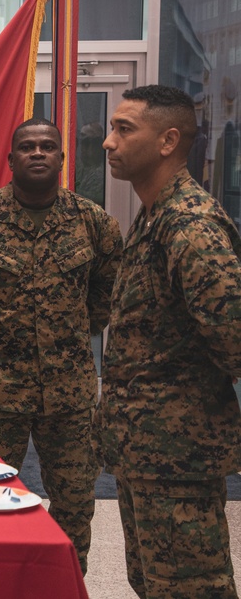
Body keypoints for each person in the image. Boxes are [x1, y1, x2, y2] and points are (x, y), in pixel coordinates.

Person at [0, 118, 123, 574]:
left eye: (48, 146)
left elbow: (107, 291)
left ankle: (64, 582)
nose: (38, 153)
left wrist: (78, 333)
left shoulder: (93, 223)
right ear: (11, 159)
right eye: (27, 146)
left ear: (61, 157)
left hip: (69, 394)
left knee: (76, 501)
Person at [93, 84, 241, 598]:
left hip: (179, 456)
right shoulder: (154, 217)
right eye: (112, 128)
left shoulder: (190, 226)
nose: (108, 142)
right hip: (146, 453)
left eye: (124, 129)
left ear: (168, 140)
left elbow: (234, 341)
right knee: (155, 584)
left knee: (191, 590)